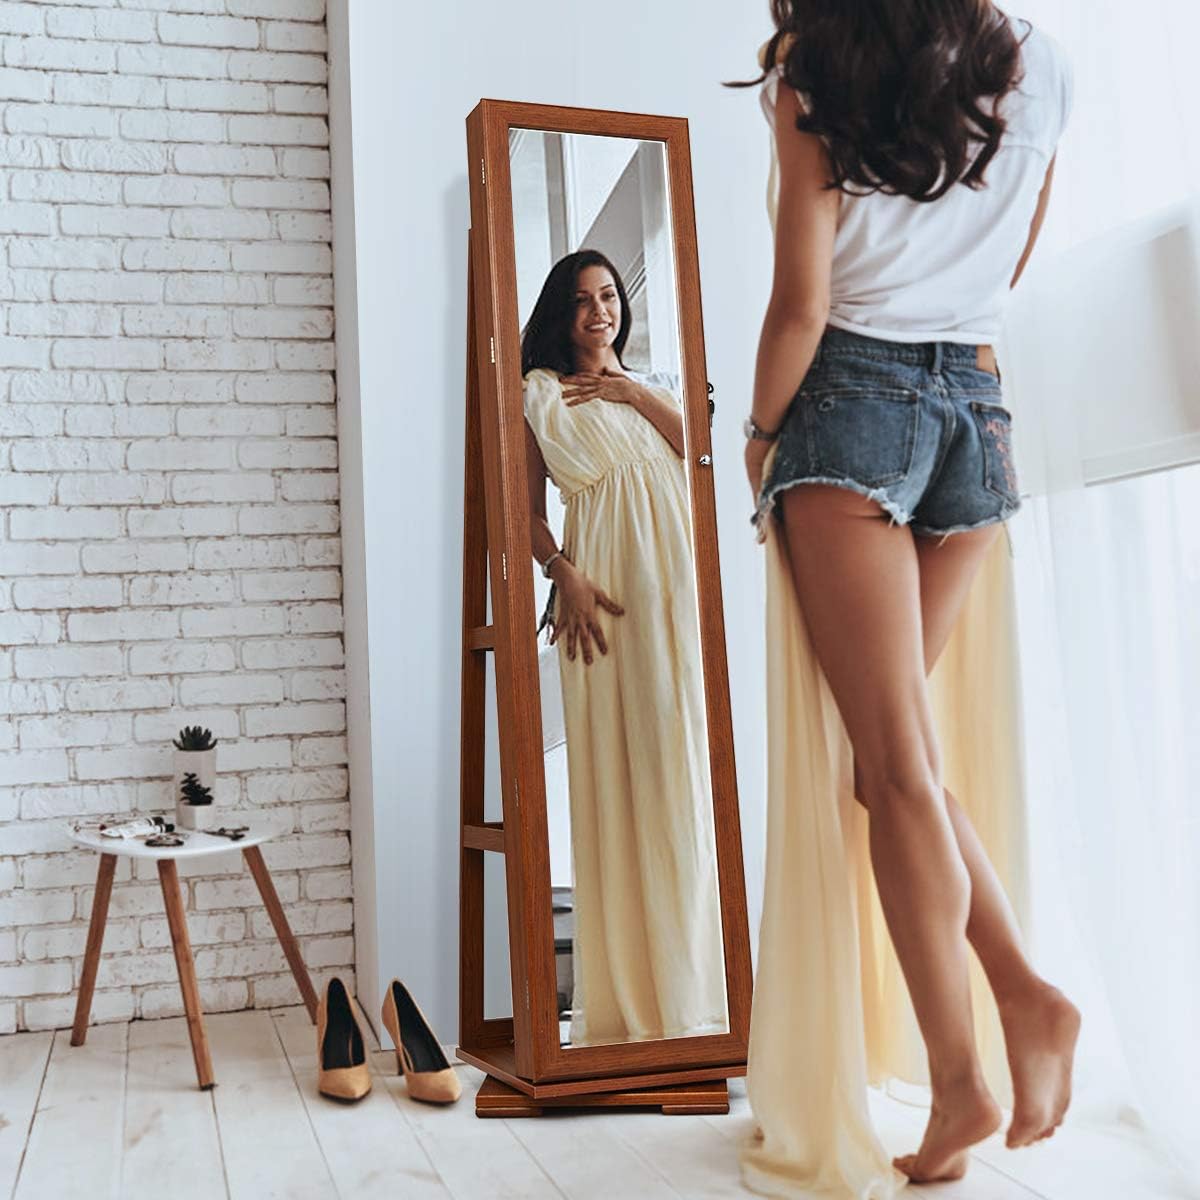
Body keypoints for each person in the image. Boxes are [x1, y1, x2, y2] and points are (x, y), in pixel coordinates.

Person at [734, 2, 1081, 1192]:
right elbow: (1014, 254)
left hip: (853, 407)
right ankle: (1024, 996)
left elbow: (802, 303)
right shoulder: (1040, 60)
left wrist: (758, 435)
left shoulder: (816, 67)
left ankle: (962, 1077)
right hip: (979, 407)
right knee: (898, 764)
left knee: (889, 771)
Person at [521, 249, 728, 1047]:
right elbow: (523, 510)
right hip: (603, 595)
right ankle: (636, 999)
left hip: (676, 591)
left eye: (608, 296)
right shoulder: (538, 393)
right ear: (560, 312)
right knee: (623, 772)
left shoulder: (655, 389)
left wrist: (632, 391)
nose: (599, 312)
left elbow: (698, 455)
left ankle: (697, 992)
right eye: (582, 300)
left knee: (681, 771)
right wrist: (561, 573)